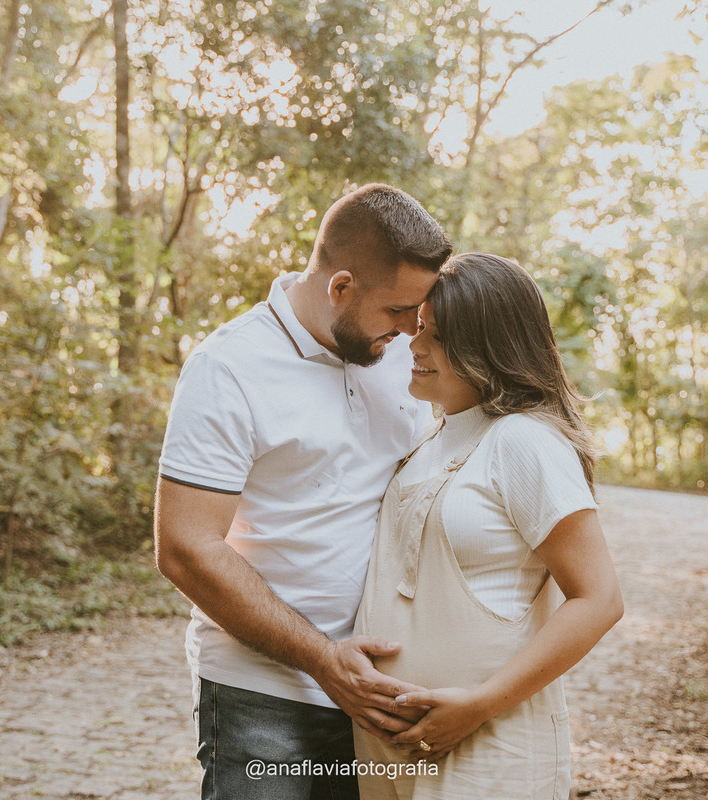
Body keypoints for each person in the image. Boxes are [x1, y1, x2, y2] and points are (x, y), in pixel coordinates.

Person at [154, 184, 453, 800]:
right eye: (397, 311)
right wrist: (323, 660)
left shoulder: (405, 353)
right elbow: (184, 546)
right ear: (341, 287)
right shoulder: (229, 367)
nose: (409, 329)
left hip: (388, 693)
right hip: (264, 699)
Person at [352, 252, 624, 799]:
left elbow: (599, 599)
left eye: (441, 336)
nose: (416, 345)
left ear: (490, 347)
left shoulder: (524, 440)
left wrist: (479, 704)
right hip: (390, 754)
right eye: (421, 327)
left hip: (486, 744)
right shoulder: (427, 440)